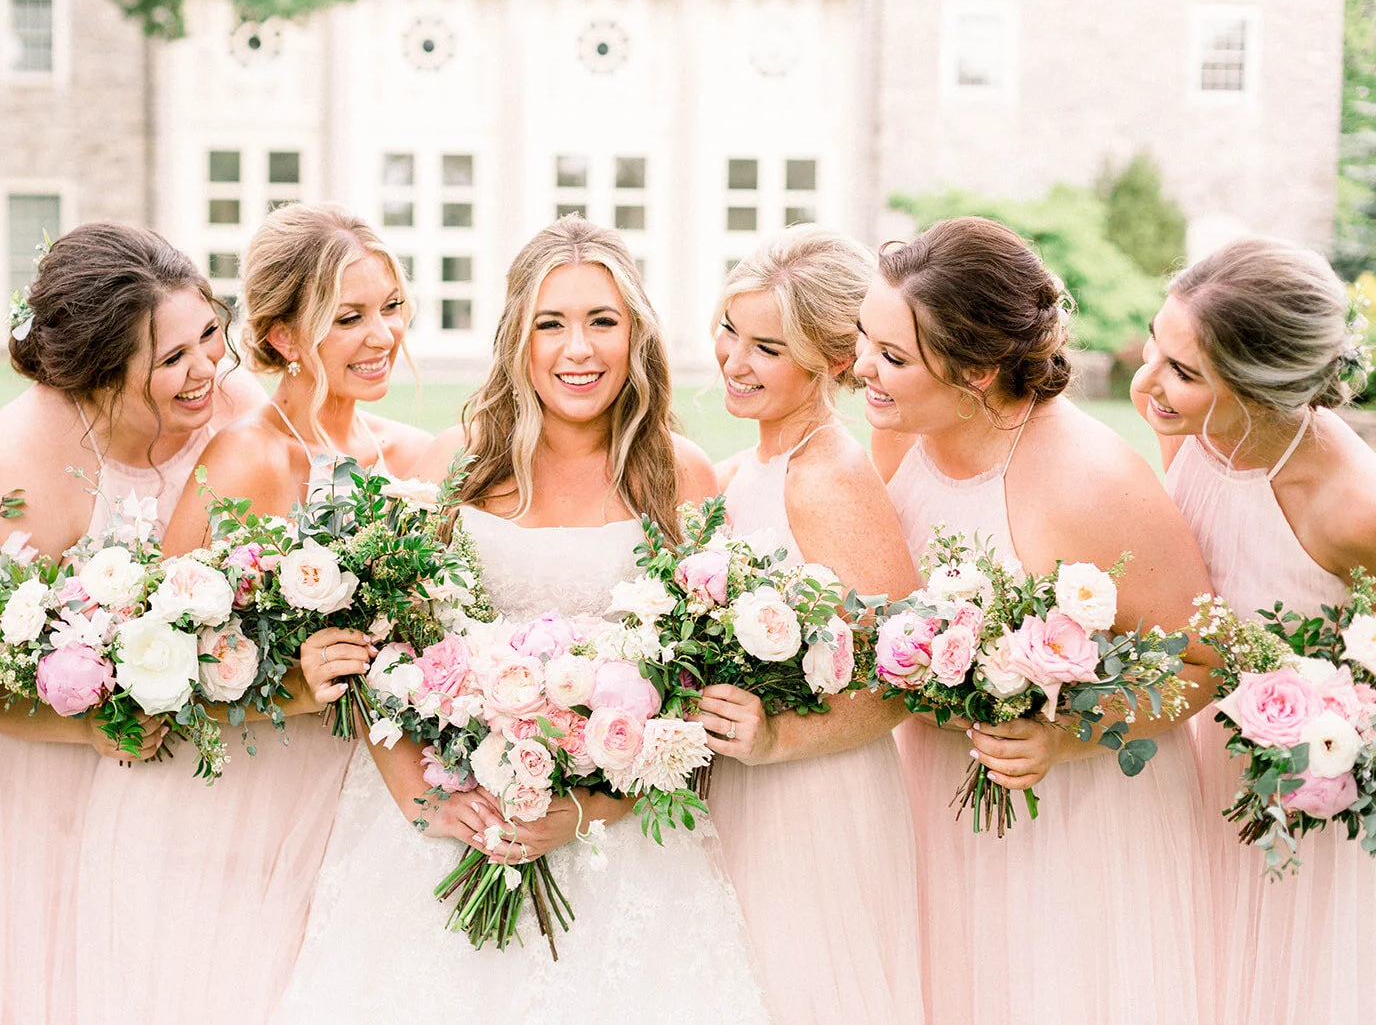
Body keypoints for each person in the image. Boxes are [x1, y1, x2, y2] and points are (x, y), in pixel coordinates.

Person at [271, 216, 769, 1023]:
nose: (579, 349)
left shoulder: (679, 473)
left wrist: (586, 810)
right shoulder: (454, 462)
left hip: (617, 838)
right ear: (517, 337)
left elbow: (693, 683)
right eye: (551, 323)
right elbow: (383, 650)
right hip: (449, 826)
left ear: (636, 333)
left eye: (602, 321)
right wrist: (423, 802)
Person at [75, 205, 431, 1023]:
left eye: (390, 306)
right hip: (225, 810)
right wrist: (295, 685)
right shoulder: (247, 458)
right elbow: (151, 668)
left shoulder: (406, 454)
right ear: (282, 337)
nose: (382, 334)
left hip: (345, 800)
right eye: (348, 316)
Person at [858, 217, 1216, 1025]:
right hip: (938, 802)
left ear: (977, 370)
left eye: (893, 357)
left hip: (1075, 829)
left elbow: (1204, 659)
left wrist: (1064, 735)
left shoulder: (1089, 480)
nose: (861, 369)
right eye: (864, 341)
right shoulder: (902, 436)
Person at [0, 222, 267, 1023]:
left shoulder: (230, 401)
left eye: (210, 334)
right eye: (171, 359)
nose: (207, 369)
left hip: (184, 778)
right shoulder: (22, 461)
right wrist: (85, 728)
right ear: (103, 374)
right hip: (37, 783)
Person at [1132, 237, 1376, 1023]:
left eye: (1182, 371)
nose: (1146, 381)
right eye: (1154, 343)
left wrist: (1340, 727)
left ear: (1261, 390)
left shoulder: (1351, 506)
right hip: (1182, 759)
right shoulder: (1188, 427)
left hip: (1290, 796)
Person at [698, 225, 924, 1023]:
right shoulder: (741, 470)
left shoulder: (829, 478)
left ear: (833, 359)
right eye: (731, 330)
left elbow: (903, 680)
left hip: (811, 804)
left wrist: (776, 737)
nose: (735, 360)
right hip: (739, 789)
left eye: (767, 347)